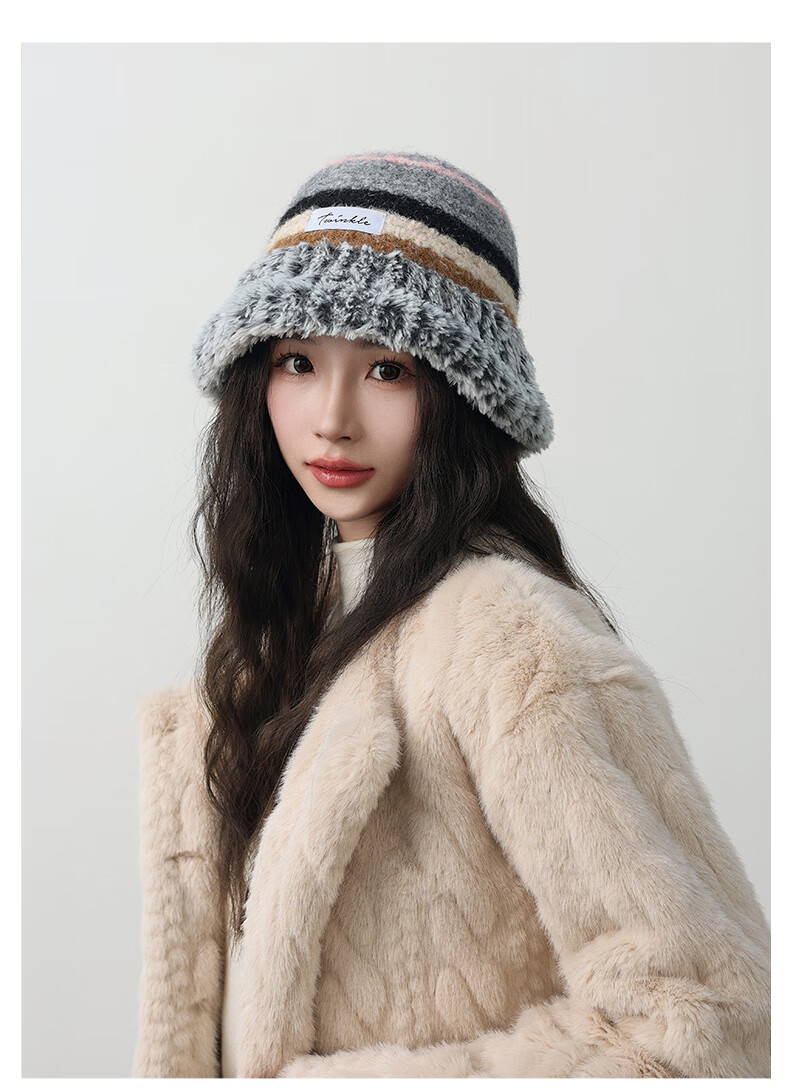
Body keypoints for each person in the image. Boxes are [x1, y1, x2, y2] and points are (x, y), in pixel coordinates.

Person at [131, 150, 770, 1079]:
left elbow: (711, 1016)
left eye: (387, 369)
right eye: (298, 362)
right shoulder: (268, 653)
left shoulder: (504, 639)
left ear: (463, 392)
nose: (332, 418)